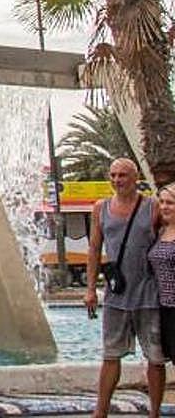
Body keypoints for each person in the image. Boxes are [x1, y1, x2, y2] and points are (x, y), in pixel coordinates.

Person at [86, 158, 164, 418]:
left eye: (123, 175)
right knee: (110, 355)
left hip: (149, 295)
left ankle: (154, 412)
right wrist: (89, 290)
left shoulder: (153, 207)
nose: (117, 180)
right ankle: (101, 412)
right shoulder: (101, 208)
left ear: (135, 177)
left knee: (155, 357)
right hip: (116, 295)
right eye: (113, 175)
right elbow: (95, 249)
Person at [148, 183, 175, 367]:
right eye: (162, 202)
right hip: (165, 307)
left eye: (170, 203)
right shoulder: (161, 231)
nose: (164, 206)